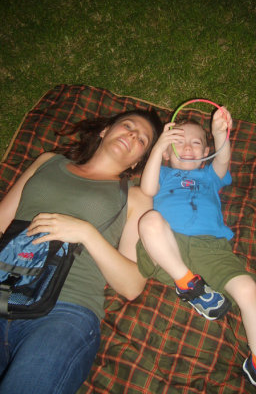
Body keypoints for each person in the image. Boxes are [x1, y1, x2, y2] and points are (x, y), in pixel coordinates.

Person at [0, 109, 163, 394]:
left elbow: (132, 285)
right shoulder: (49, 162)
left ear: (139, 161)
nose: (132, 135)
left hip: (64, 311)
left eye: (142, 140)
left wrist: (85, 232)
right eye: (128, 126)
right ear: (105, 131)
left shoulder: (135, 196)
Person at [136, 107, 256, 394]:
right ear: (167, 154)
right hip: (168, 246)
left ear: (205, 152)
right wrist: (157, 150)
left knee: (247, 288)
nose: (187, 147)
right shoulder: (162, 174)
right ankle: (188, 284)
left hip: (212, 248)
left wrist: (221, 134)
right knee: (149, 222)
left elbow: (222, 160)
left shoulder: (210, 176)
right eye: (178, 142)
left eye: (196, 143)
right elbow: (146, 189)